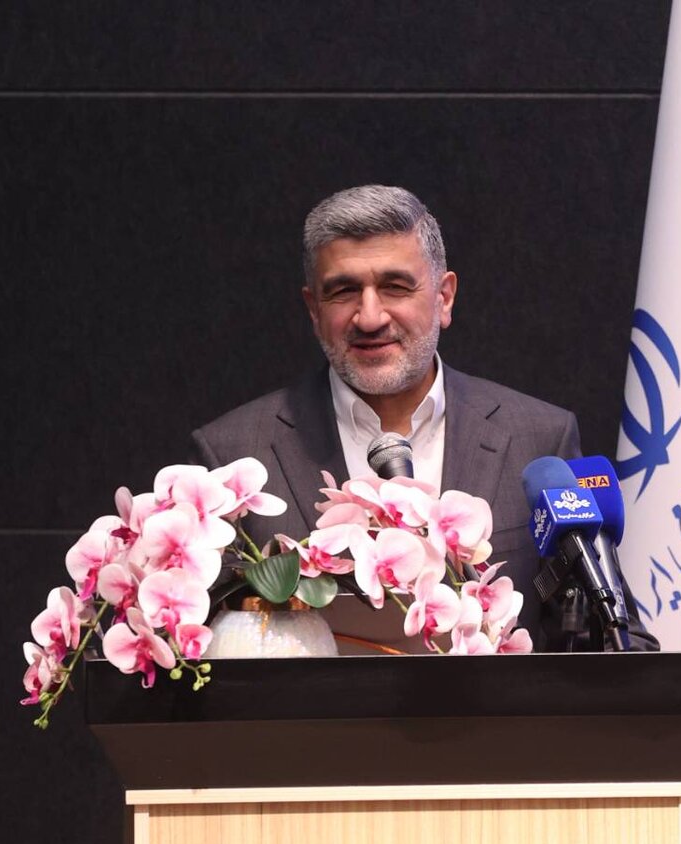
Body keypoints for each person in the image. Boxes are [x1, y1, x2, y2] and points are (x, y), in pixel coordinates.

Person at [192, 185, 655, 651]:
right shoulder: (233, 455)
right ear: (314, 309)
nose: (370, 317)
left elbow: (614, 642)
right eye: (344, 291)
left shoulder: (538, 438)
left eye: (395, 287)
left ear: (444, 297)